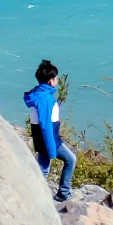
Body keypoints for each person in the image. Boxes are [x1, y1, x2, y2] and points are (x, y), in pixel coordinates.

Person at [24, 59, 76, 203]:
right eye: (56, 78)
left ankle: (34, 195)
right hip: (49, 138)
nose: (57, 80)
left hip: (42, 137)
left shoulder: (37, 94)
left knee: (42, 168)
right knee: (70, 159)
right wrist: (51, 148)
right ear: (50, 81)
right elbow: (46, 125)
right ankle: (63, 193)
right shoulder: (46, 99)